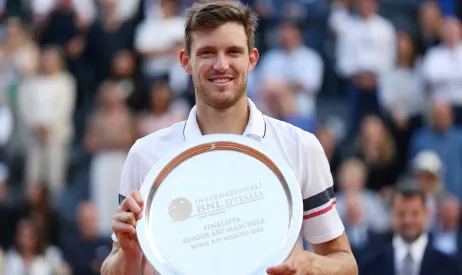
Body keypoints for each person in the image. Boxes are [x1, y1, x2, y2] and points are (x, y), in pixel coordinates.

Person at [101, 2, 358, 275]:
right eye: (207, 52)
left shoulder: (300, 147)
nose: (221, 65)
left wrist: (310, 264)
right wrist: (128, 255)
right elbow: (116, 266)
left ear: (252, 59)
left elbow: (346, 264)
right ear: (186, 61)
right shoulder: (145, 155)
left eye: (233, 52)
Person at [358, 186, 462, 275]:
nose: (408, 220)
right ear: (391, 214)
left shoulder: (450, 266)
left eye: (415, 213)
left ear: (427, 214)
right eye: (401, 214)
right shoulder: (370, 265)